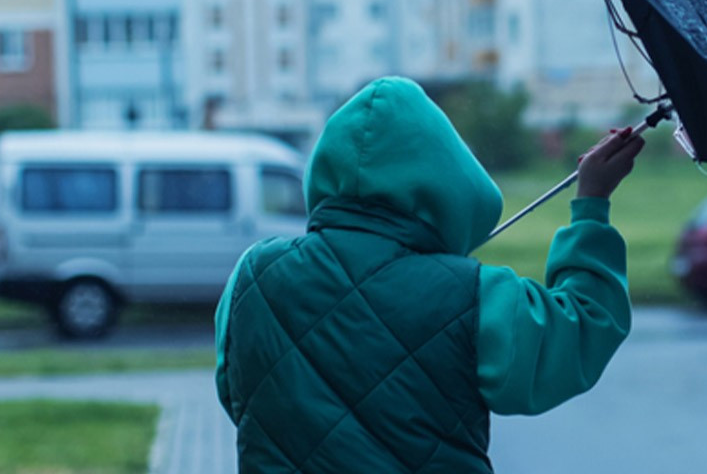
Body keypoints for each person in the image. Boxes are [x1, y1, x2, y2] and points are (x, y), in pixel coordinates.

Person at [214, 76, 643, 472]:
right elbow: (582, 329)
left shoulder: (251, 277)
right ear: (449, 180)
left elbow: (236, 395)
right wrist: (591, 203)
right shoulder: (474, 296)